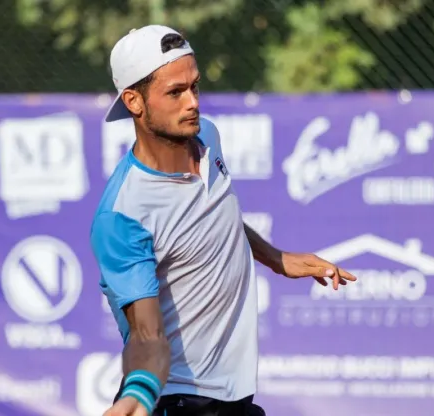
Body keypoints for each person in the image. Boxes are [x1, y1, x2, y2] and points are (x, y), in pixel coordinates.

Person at [90, 24, 357, 416]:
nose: (192, 102)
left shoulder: (207, 136)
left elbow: (214, 218)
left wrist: (275, 258)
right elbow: (147, 336)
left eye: (194, 86)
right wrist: (138, 396)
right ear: (134, 101)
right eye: (175, 92)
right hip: (179, 401)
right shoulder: (123, 215)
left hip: (233, 397)